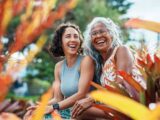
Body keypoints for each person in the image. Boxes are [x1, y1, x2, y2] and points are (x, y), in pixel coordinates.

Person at [71, 17, 146, 119]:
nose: (98, 36)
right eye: (94, 33)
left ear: (111, 33)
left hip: (131, 106)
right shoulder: (100, 65)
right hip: (115, 106)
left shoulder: (121, 50)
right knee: (78, 108)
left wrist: (91, 100)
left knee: (81, 111)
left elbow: (120, 83)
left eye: (102, 32)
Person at [24, 23, 94, 119]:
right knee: (31, 116)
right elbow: (58, 98)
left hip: (82, 113)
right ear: (60, 42)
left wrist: (53, 107)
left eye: (76, 37)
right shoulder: (58, 67)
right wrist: (40, 108)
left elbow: (81, 94)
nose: (73, 40)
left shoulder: (86, 61)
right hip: (65, 111)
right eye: (68, 36)